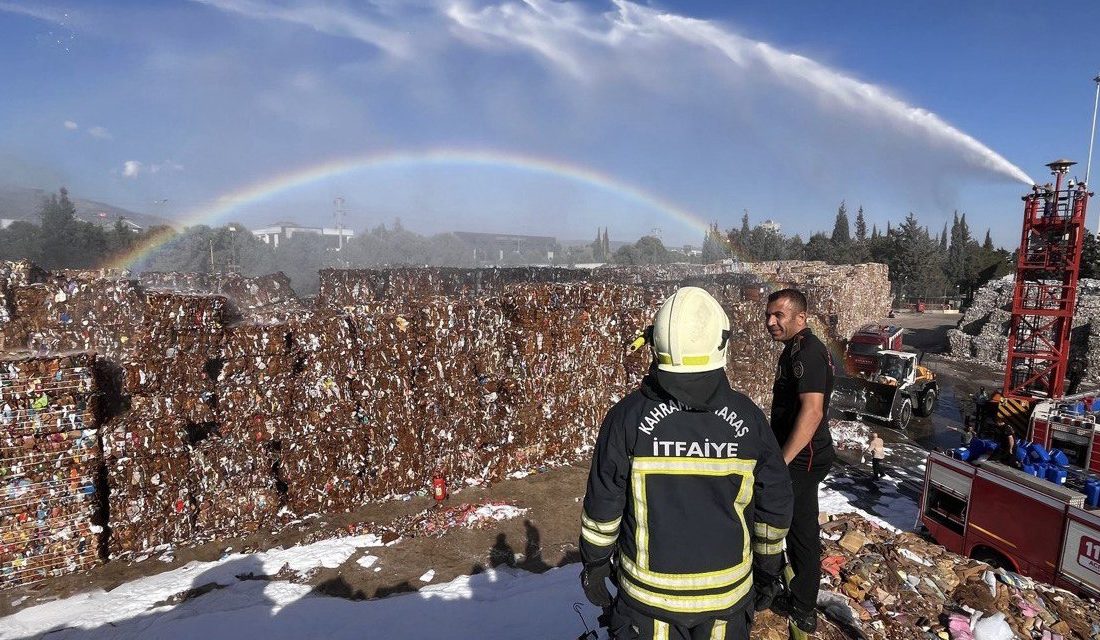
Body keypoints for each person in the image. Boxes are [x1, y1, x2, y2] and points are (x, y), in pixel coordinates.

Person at [580, 286, 793, 640]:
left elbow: (604, 504)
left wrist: (596, 564)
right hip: (726, 602)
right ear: (721, 344)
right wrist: (769, 568)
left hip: (647, 605)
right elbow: (775, 506)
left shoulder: (626, 418)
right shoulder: (749, 419)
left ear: (655, 344)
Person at [764, 288, 836, 634]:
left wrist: (782, 461)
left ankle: (803, 605)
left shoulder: (807, 352)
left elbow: (812, 411)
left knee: (799, 530)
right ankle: (793, 593)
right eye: (768, 315)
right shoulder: (795, 350)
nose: (771, 321)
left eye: (779, 315)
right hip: (797, 457)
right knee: (794, 526)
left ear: (800, 318)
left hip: (802, 459)